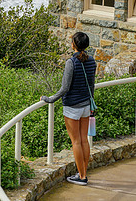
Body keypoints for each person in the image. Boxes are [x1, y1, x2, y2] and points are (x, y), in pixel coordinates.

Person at [40, 32, 96, 186]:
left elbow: (65, 88)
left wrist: (49, 99)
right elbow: (92, 85)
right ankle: (82, 172)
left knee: (76, 142)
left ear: (74, 45)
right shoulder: (92, 60)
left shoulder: (71, 62)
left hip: (72, 107)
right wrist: (91, 105)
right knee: (84, 140)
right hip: (86, 106)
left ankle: (82, 177)